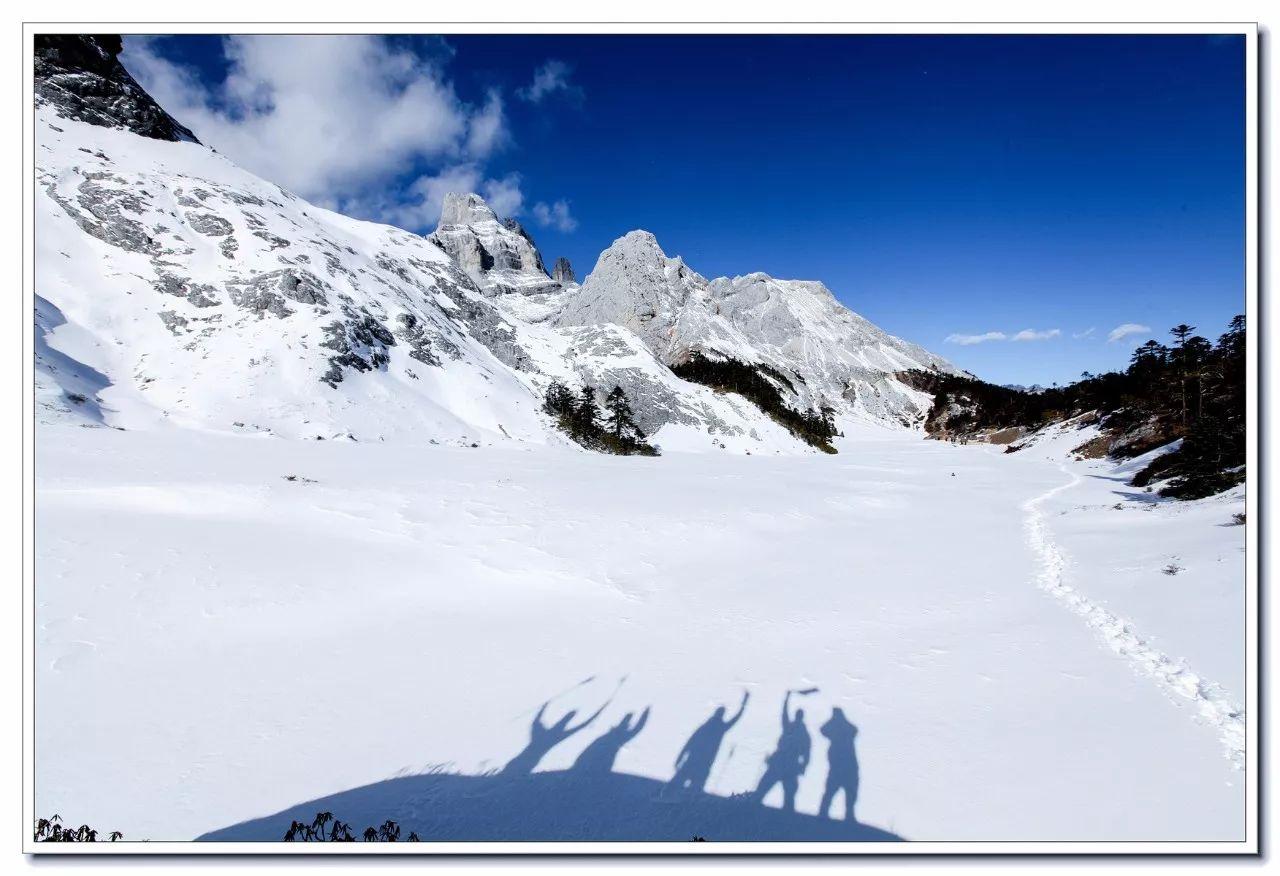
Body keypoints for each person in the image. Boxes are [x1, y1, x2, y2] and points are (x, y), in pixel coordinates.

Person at [668, 690, 750, 794]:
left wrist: (679, 758)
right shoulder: (716, 728)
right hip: (696, 763)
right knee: (682, 790)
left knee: (686, 790)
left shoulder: (714, 728)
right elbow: (690, 743)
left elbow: (689, 743)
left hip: (698, 764)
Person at [500, 699, 608, 776]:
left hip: (524, 760)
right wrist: (544, 706)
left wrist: (545, 706)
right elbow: (536, 721)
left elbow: (536, 720)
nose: (563, 721)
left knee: (510, 774)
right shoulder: (553, 736)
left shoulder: (542, 734)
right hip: (528, 761)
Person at [752, 691, 810, 811]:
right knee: (763, 787)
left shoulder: (803, 733)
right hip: (781, 760)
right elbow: (784, 714)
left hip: (790, 763)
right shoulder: (791, 727)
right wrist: (786, 699)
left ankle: (787, 819)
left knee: (789, 796)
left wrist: (803, 766)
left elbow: (807, 752)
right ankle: (752, 807)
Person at [572, 707, 651, 772]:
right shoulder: (622, 737)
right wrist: (645, 714)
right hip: (601, 762)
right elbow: (638, 728)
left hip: (594, 761)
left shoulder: (610, 736)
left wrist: (645, 714)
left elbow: (637, 728)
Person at [818, 707, 860, 821]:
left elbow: (855, 730)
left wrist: (837, 720)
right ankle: (823, 813)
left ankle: (849, 815)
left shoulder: (847, 729)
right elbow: (822, 730)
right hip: (838, 768)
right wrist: (834, 720)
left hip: (848, 767)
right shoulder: (838, 731)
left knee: (850, 793)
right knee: (831, 791)